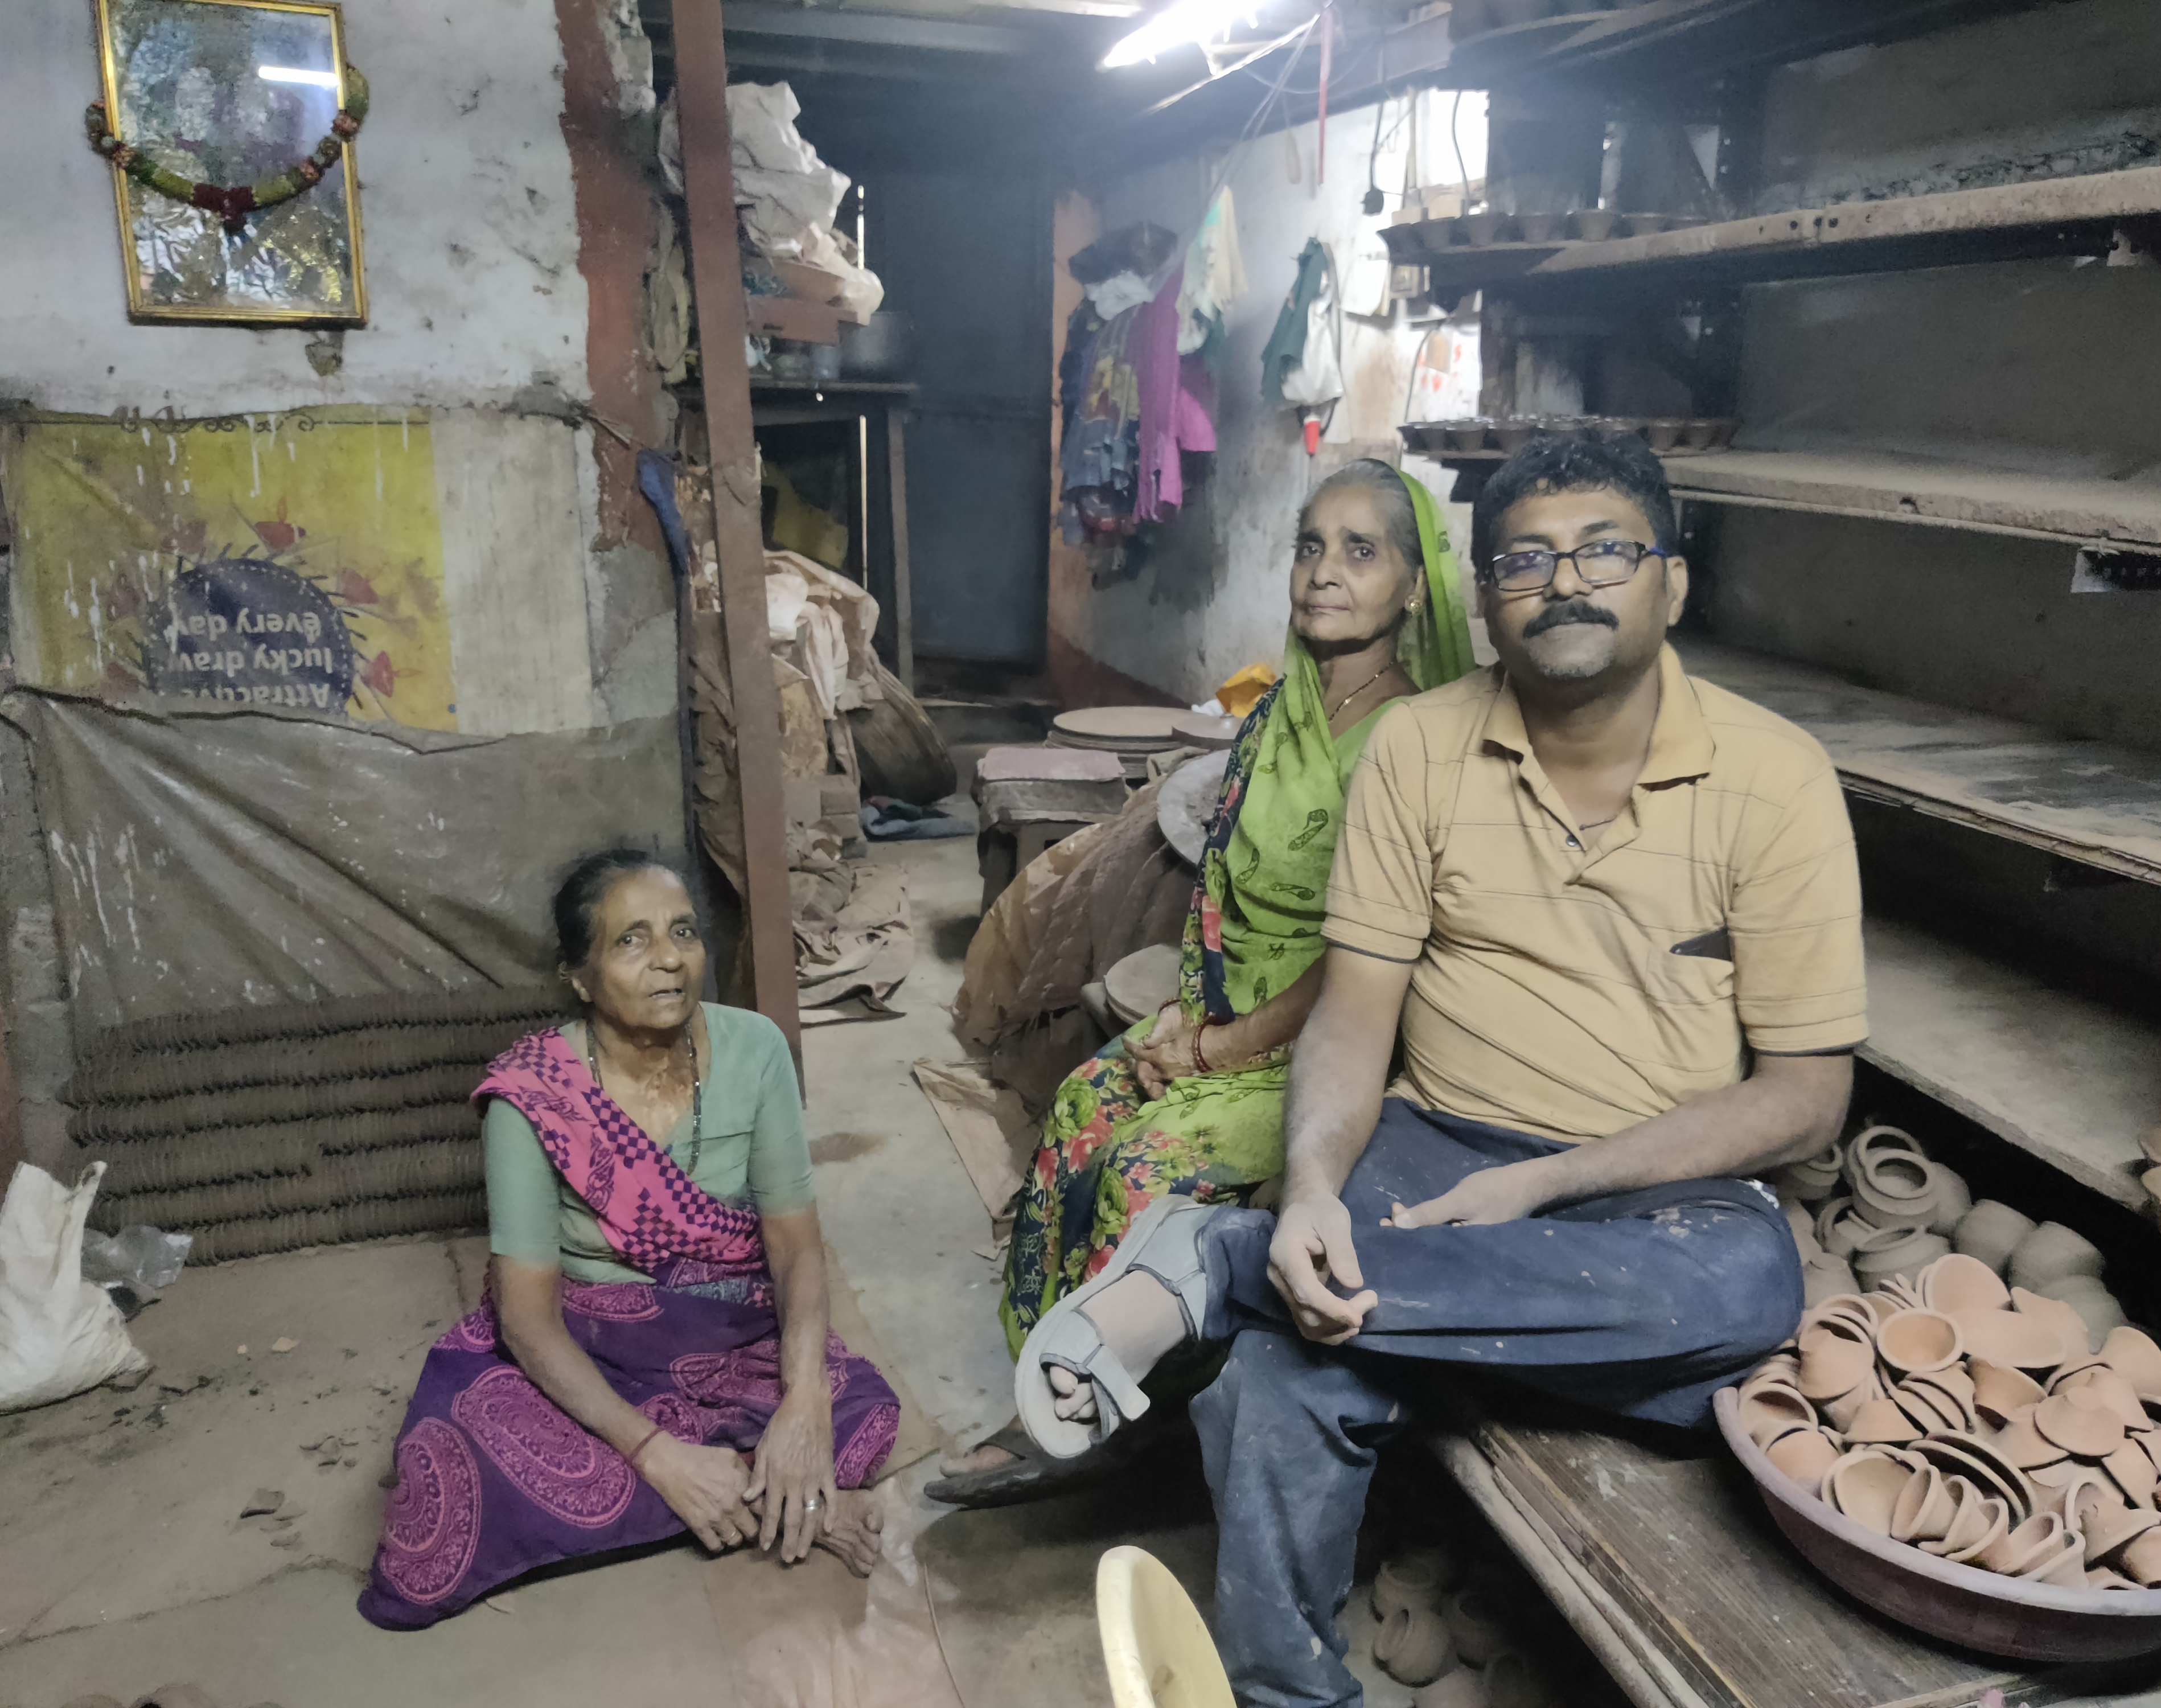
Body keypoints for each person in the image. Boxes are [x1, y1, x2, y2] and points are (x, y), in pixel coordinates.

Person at [1009, 431, 1868, 1706]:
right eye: (1523, 558)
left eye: (1604, 550)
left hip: (1646, 1187)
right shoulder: (1418, 747)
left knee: (1746, 1289)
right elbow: (1352, 1015)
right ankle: (1288, 1695)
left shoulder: (1773, 778)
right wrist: (1306, 1187)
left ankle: (1217, 1261)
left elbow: (1805, 1097)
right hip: (1431, 1144)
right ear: (1482, 591)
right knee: (1281, 1374)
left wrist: (1543, 1186)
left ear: (1670, 584)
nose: (1561, 581)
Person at [925, 459, 1476, 1507]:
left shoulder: (1416, 741)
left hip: (1330, 1045)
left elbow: (1366, 958)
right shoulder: (1283, 710)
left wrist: (1225, 1045)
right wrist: (1190, 1007)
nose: (1324, 572)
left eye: (1361, 551)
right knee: (1086, 1102)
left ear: (1414, 585)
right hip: (1228, 1012)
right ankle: (1055, 1381)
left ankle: (1136, 1411)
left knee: (1145, 1159)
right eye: (1311, 545)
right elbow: (1222, 882)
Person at [359, 850, 899, 1629]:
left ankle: (746, 1487)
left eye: (682, 932)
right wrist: (655, 1454)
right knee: (445, 1466)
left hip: (725, 1326)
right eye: (631, 941)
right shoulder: (532, 1097)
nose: (669, 960)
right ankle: (787, 1505)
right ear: (579, 977)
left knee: (859, 1410)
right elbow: (527, 1321)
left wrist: (806, 1402)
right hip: (591, 1334)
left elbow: (794, 1247)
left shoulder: (755, 1050)